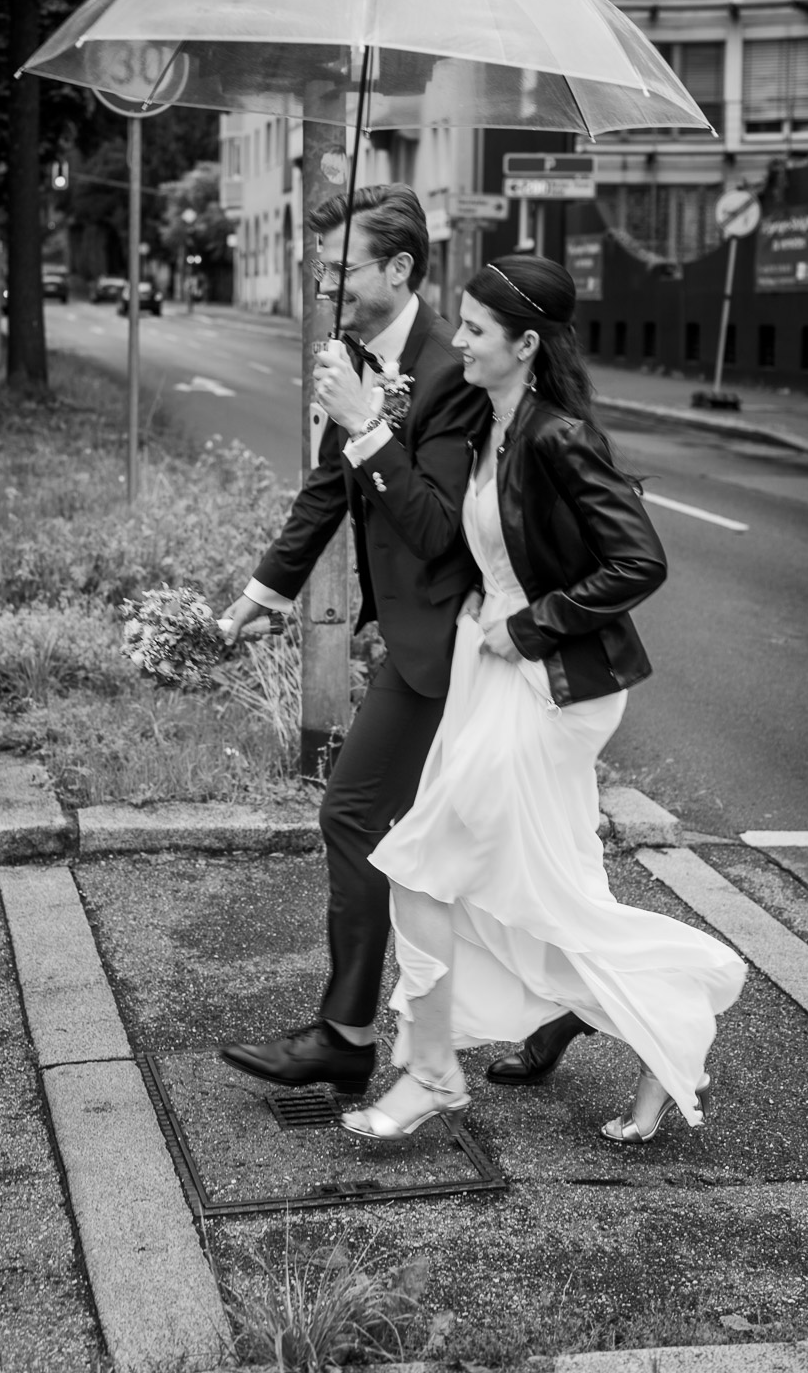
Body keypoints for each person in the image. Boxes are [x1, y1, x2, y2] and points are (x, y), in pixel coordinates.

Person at [338, 255, 746, 1146]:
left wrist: (526, 626)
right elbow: (468, 538)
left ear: (525, 346)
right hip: (493, 676)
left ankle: (432, 1073)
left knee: (420, 866)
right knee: (542, 898)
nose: (458, 340)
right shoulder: (493, 423)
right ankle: (669, 1025)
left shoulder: (557, 437)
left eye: (476, 329)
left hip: (550, 687)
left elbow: (639, 561)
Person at [218, 186, 489, 1097]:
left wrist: (369, 424)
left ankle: (345, 1036)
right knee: (479, 847)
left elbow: (437, 531)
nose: (325, 283)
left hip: (457, 636)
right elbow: (326, 493)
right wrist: (257, 597)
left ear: (400, 268)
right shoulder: (356, 358)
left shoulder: (453, 367)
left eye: (342, 268)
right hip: (418, 632)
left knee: (355, 816)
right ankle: (566, 1011)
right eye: (320, 268)